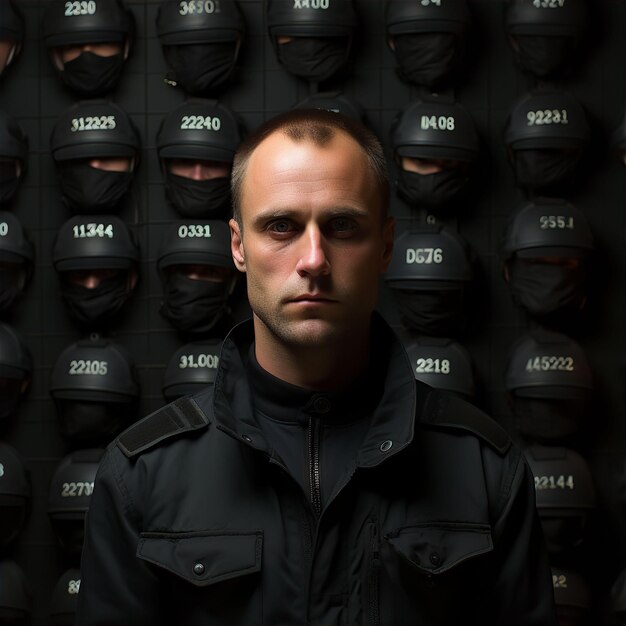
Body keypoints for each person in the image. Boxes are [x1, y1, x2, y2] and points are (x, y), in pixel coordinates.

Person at [76, 108, 557, 625]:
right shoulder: (141, 476)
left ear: (386, 246)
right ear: (238, 247)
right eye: (281, 226)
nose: (313, 259)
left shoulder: (485, 470)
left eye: (343, 226)